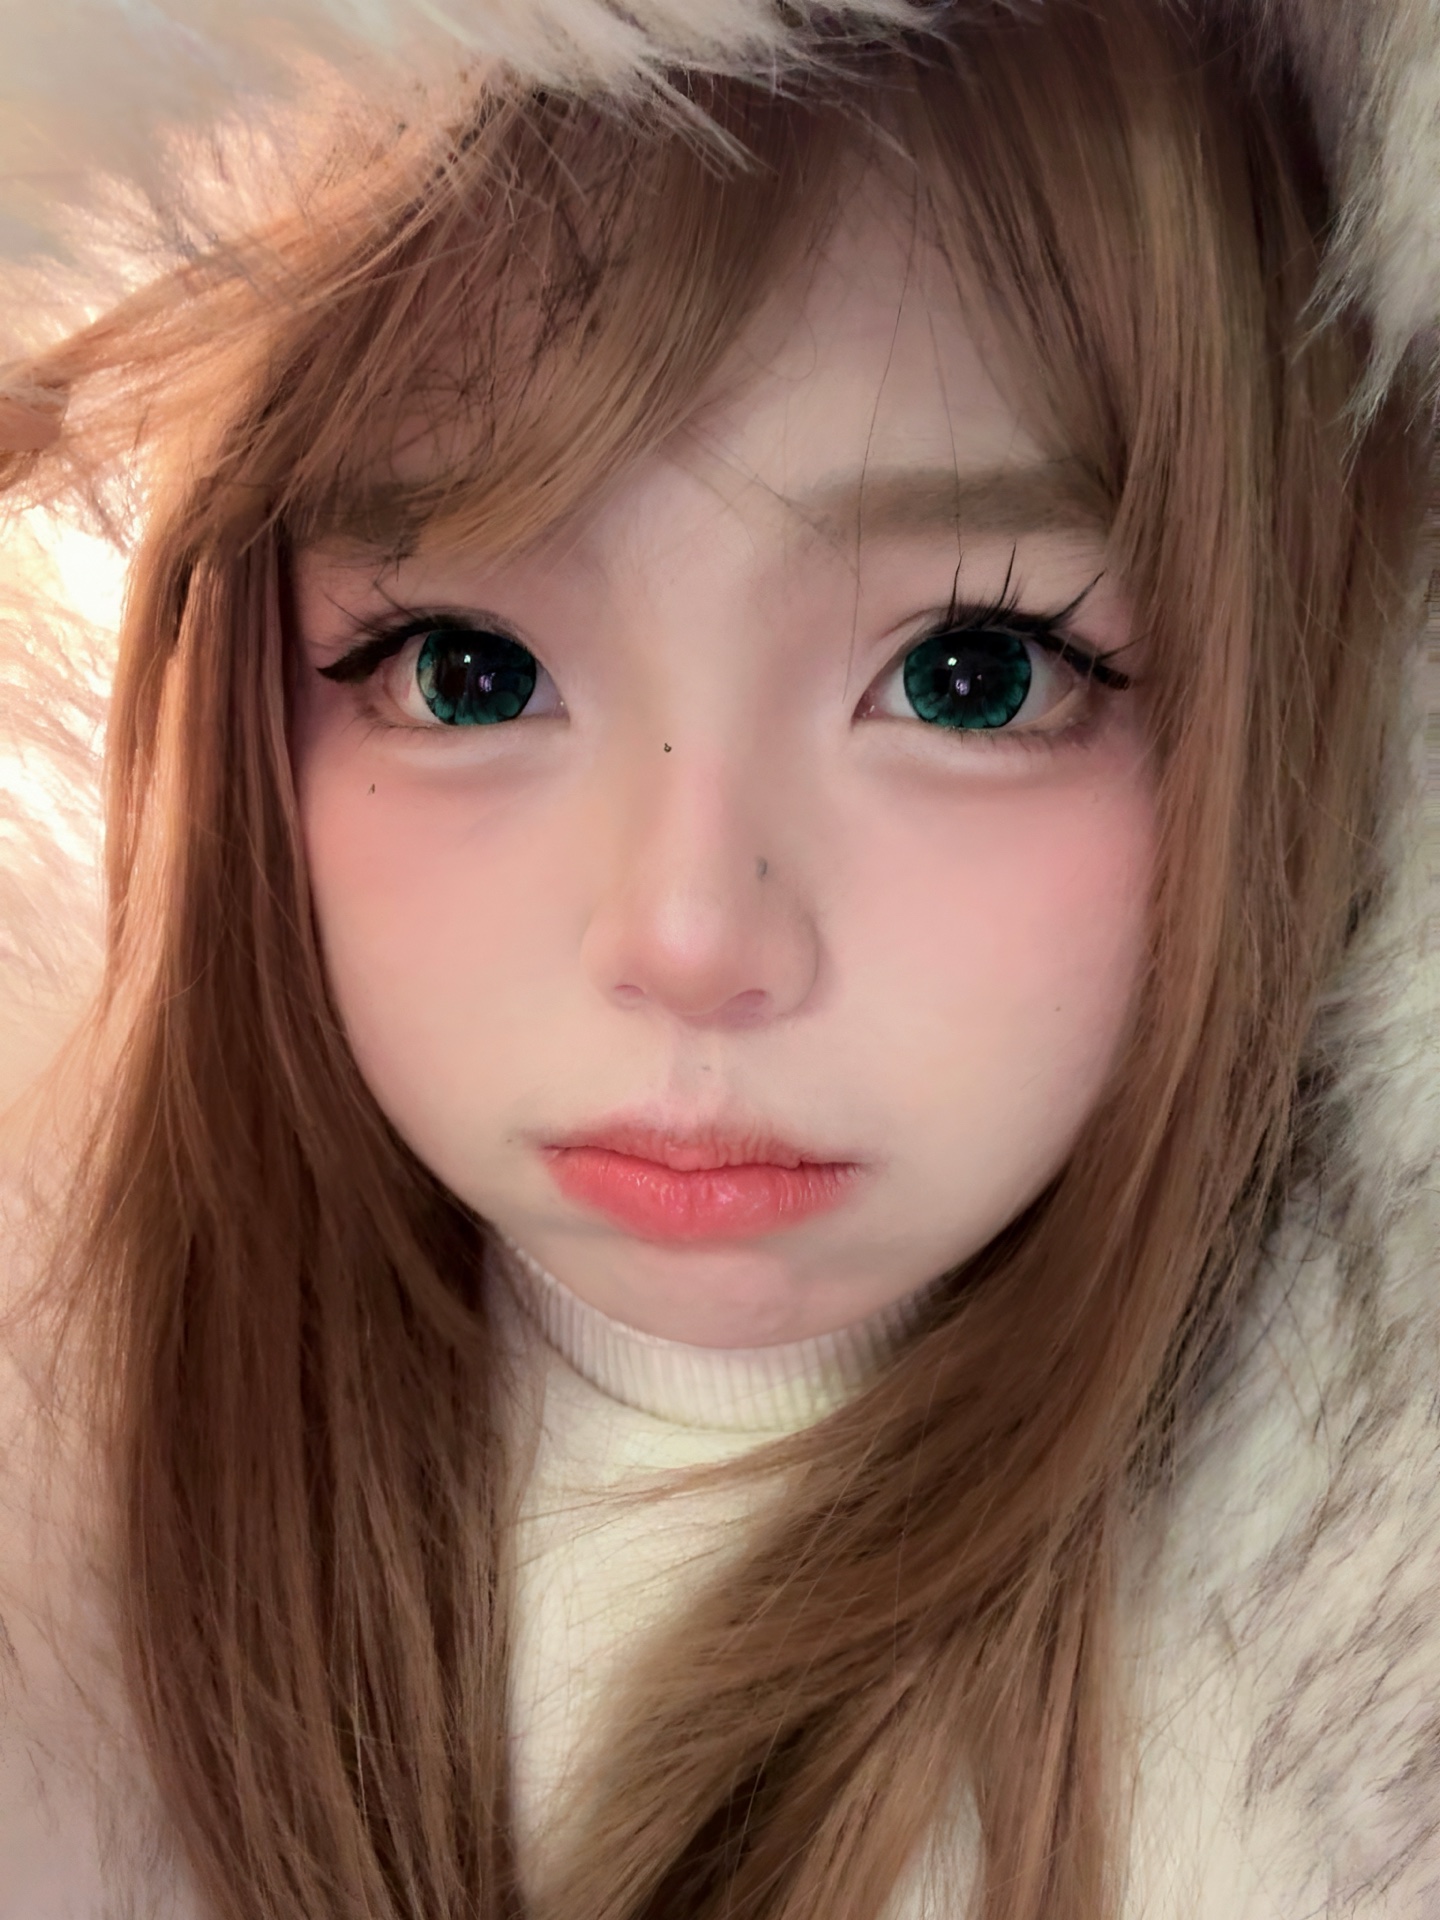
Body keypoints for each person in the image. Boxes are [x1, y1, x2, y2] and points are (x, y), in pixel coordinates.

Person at [0, 2, 1435, 1916]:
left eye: (972, 674)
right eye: (469, 670)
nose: (689, 941)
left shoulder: (1356, 1750)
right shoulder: (62, 1546)